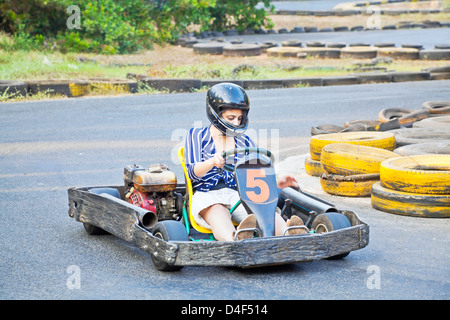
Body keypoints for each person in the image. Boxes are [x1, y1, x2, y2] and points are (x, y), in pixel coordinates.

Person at [184, 83, 305, 241]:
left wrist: (276, 181)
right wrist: (211, 162)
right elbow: (192, 173)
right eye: (231, 118)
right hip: (208, 195)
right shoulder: (197, 135)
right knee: (218, 212)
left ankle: (289, 235)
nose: (236, 123)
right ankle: (236, 240)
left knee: (264, 210)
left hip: (239, 195)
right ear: (215, 114)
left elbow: (257, 172)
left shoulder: (245, 141)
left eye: (239, 118)